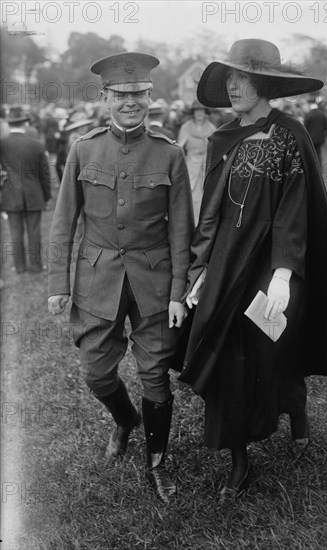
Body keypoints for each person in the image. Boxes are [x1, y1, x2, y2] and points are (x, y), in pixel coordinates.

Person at [178, 39, 327, 503]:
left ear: (266, 83)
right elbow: (210, 211)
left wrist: (283, 273)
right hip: (226, 268)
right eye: (229, 79)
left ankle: (296, 412)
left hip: (270, 269)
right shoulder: (221, 138)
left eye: (243, 79)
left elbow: (295, 209)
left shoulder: (291, 134)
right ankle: (239, 460)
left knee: (273, 350)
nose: (233, 87)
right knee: (227, 358)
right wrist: (201, 268)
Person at [48, 52, 194, 503]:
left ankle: (157, 464)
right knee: (95, 372)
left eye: (138, 94)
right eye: (121, 95)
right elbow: (63, 221)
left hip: (153, 283)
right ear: (106, 98)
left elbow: (181, 231)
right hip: (98, 279)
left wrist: (177, 293)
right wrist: (58, 284)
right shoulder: (84, 148)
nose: (130, 102)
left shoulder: (170, 153)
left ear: (150, 96)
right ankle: (125, 419)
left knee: (155, 376)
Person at [0, 109, 51, 273]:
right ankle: (36, 266)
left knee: (15, 233)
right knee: (34, 232)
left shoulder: (2, 144)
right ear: (25, 123)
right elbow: (45, 173)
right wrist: (47, 195)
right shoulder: (36, 144)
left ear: (9, 123)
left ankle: (19, 267)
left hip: (10, 193)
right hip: (34, 193)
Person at [178, 100, 216, 224]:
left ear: (206, 113)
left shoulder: (211, 128)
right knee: (191, 192)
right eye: (197, 111)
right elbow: (179, 148)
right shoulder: (186, 127)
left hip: (206, 164)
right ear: (193, 113)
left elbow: (216, 148)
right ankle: (190, 222)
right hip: (191, 164)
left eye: (202, 111)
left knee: (206, 193)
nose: (199, 114)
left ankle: (203, 222)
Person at [304, 99, 327, 167]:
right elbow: (326, 126)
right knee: (319, 153)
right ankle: (319, 166)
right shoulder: (322, 113)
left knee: (311, 154)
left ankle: (313, 167)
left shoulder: (308, 114)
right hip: (320, 137)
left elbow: (305, 127)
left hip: (311, 137)